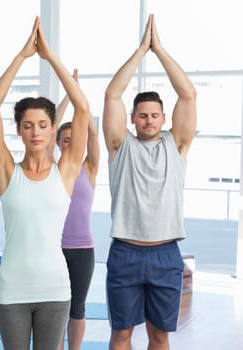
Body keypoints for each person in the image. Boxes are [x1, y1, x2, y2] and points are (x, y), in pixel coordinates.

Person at [0, 17, 90, 350]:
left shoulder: (67, 171)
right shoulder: (6, 172)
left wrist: (50, 57)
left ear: (52, 129)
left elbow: (84, 109)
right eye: (28, 125)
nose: (35, 132)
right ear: (19, 130)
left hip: (55, 289)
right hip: (12, 289)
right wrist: (22, 57)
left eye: (43, 125)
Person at [102, 14, 197, 350]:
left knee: (160, 335)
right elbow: (112, 94)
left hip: (166, 254)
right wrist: (142, 50)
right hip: (126, 252)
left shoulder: (177, 144)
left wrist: (161, 51)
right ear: (133, 119)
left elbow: (187, 95)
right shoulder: (119, 146)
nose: (149, 119)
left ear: (163, 118)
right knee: (122, 335)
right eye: (142, 114)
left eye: (155, 114)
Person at [54, 70, 100, 350]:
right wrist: (66, 96)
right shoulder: (51, 169)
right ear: (58, 143)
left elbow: (93, 133)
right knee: (56, 306)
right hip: (53, 247)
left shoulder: (89, 168)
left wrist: (80, 99)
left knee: (77, 307)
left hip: (83, 249)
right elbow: (53, 124)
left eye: (75, 139)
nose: (70, 143)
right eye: (65, 139)